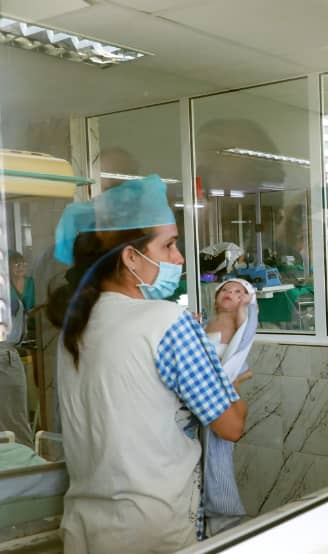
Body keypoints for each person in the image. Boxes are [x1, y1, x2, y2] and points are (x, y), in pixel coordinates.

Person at [48, 175, 248, 553]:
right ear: (130, 257)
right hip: (155, 529)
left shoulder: (76, 326)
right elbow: (231, 425)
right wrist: (232, 385)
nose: (179, 258)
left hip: (85, 528)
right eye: (169, 245)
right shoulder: (166, 320)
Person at [204, 278, 257, 535]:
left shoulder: (237, 320)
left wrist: (245, 306)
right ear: (215, 298)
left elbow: (243, 346)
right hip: (205, 390)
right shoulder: (210, 322)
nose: (230, 293)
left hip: (221, 394)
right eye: (225, 289)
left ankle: (225, 514)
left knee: (217, 454)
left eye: (238, 292)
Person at [0, 251, 35, 447]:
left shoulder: (26, 285)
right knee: (15, 419)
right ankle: (26, 459)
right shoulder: (6, 291)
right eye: (16, 264)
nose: (20, 268)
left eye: (22, 264)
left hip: (8, 351)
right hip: (4, 353)